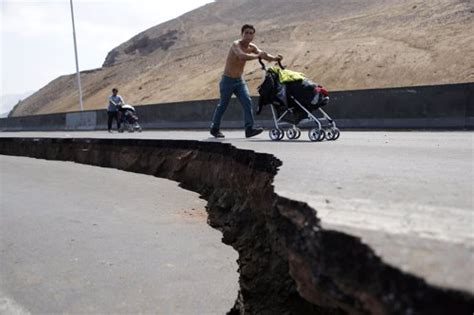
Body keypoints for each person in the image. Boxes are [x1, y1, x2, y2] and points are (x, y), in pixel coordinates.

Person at [210, 24, 283, 138]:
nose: (248, 35)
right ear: (242, 34)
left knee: (247, 101)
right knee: (223, 105)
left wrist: (275, 58)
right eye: (246, 33)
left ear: (253, 35)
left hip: (239, 81)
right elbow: (241, 56)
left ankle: (249, 129)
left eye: (251, 33)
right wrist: (257, 56)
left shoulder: (252, 47)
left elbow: (263, 54)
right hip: (227, 80)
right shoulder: (236, 44)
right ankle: (215, 128)